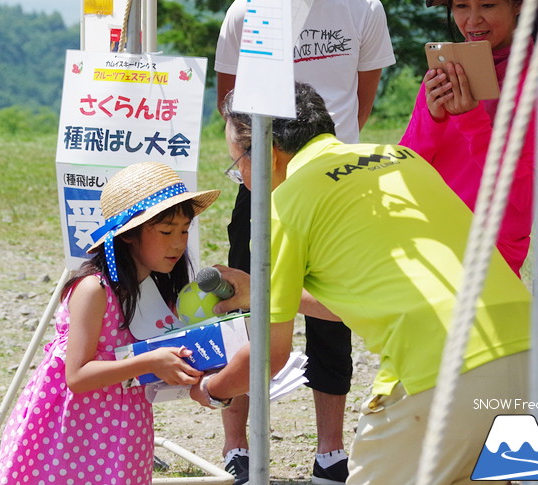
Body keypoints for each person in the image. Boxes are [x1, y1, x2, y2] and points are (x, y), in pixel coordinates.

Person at [191, 82, 531, 485]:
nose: (243, 179)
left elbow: (270, 354)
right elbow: (366, 295)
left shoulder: (284, 202)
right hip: (529, 356)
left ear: (266, 152)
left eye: (238, 165)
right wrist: (265, 293)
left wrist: (213, 389)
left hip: (439, 370)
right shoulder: (399, 156)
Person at [214, 1, 396, 483]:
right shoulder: (245, 10)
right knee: (241, 305)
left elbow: (360, 100)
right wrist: (262, 164)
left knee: (333, 312)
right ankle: (236, 442)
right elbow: (228, 102)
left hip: (337, 182)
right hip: (260, 178)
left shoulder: (365, 9)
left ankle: (330, 452)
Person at [0, 162, 220, 485]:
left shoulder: (158, 288)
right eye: (166, 231)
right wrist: (151, 361)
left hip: (124, 421)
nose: (179, 243)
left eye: (184, 230)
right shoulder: (94, 289)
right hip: (71, 424)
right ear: (128, 235)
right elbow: (78, 376)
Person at [400, 0, 536, 277]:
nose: (473, 20)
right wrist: (432, 117)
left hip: (492, 254)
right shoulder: (444, 74)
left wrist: (471, 121)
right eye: (461, 6)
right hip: (430, 238)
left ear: (518, 5)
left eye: (487, 5)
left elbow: (526, 196)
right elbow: (405, 168)